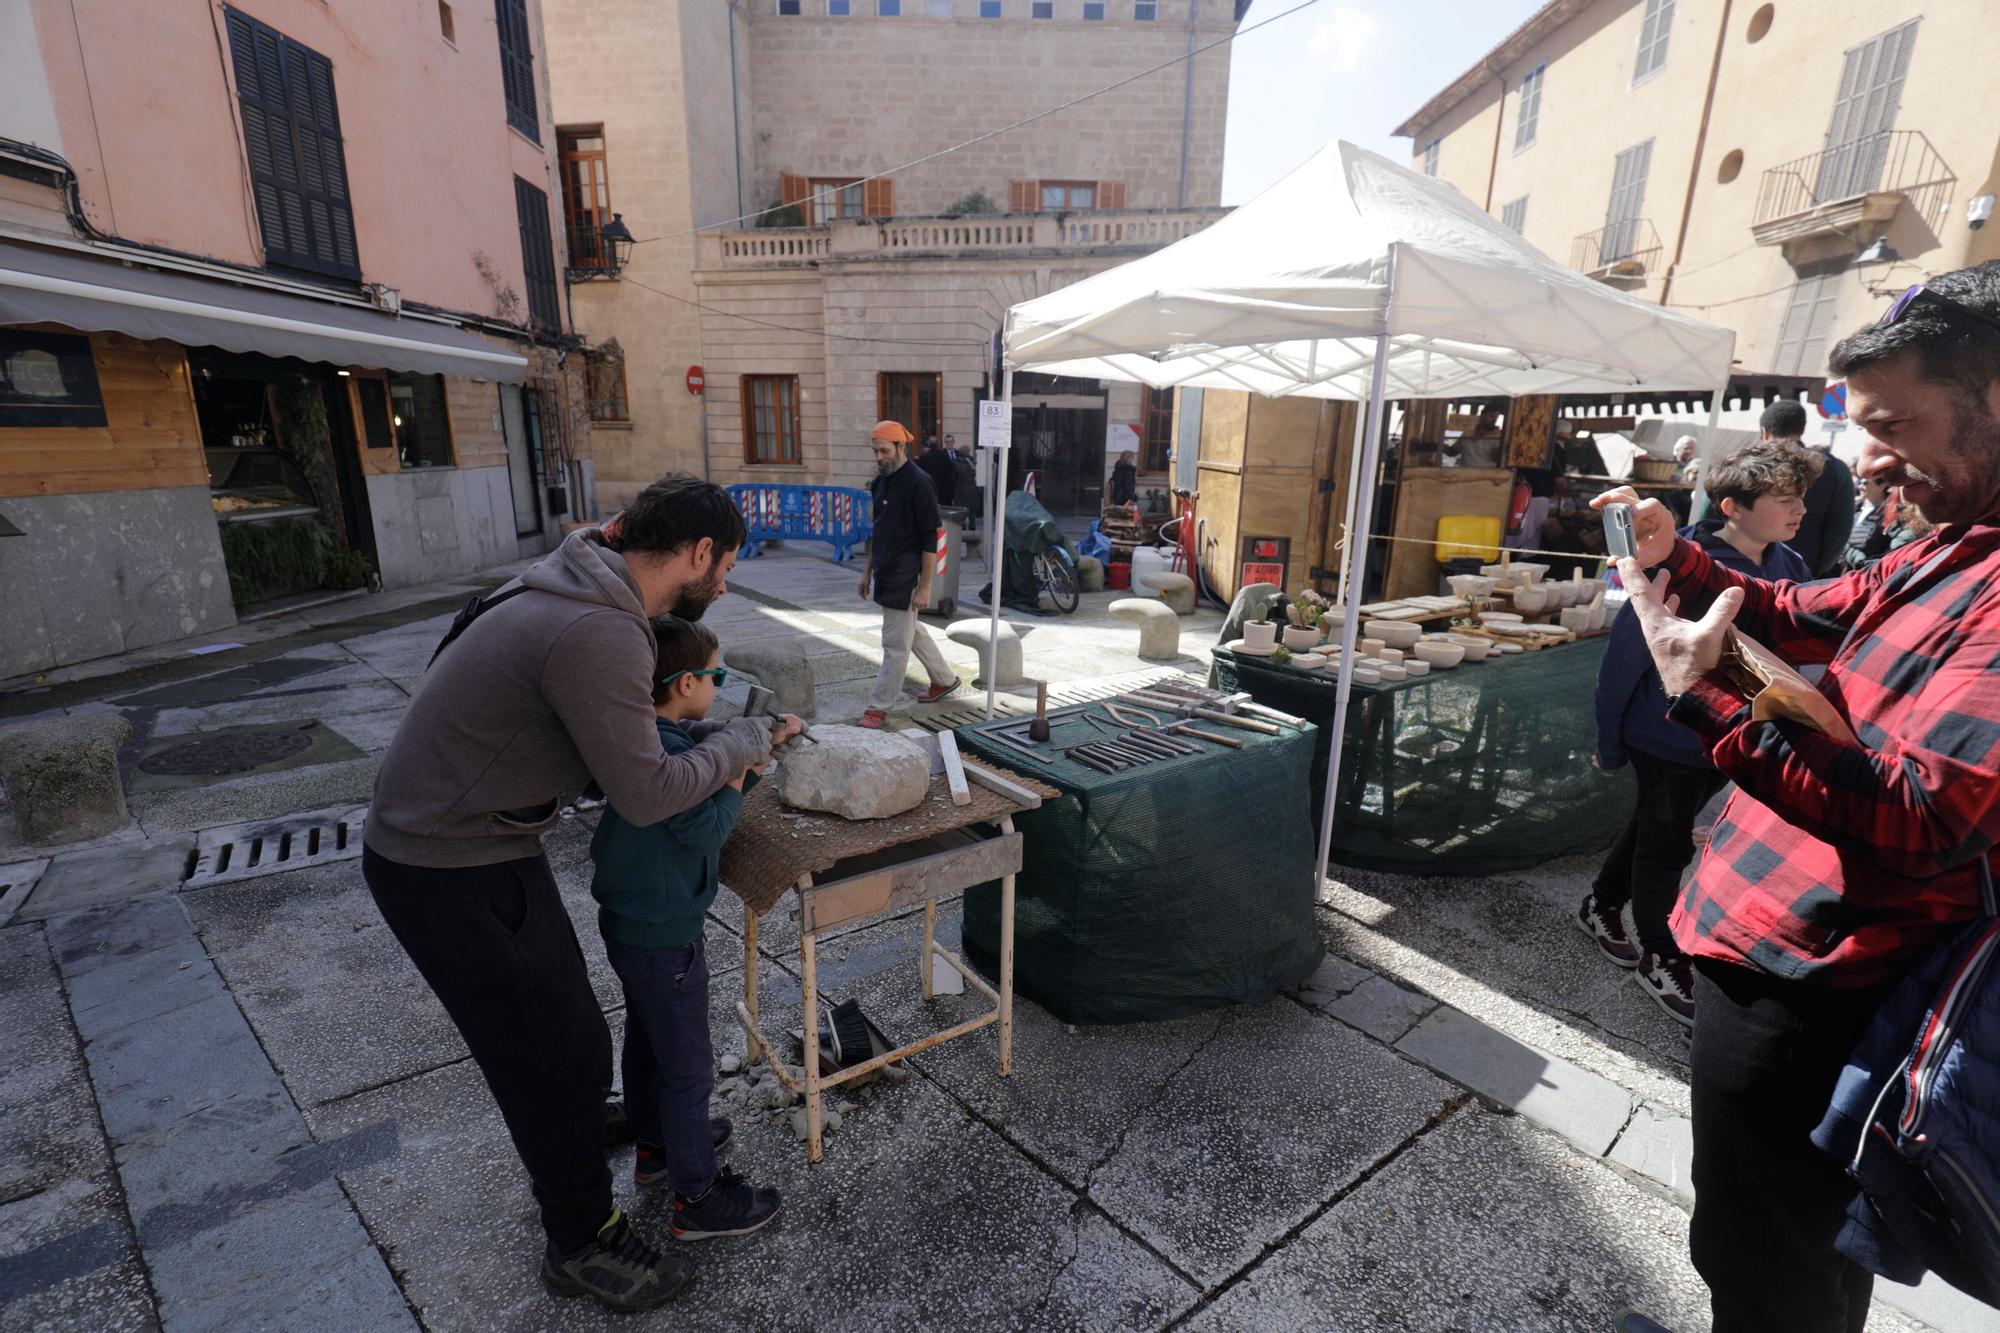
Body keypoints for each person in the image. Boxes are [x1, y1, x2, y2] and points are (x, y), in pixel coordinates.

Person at [1591, 261, 2000, 1333]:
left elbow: (1918, 814)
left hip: (1819, 981)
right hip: (1771, 947)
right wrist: (1667, 555)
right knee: (1788, 1243)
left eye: (1894, 422)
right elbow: (1784, 604)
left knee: (1763, 1252)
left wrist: (1713, 706)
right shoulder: (1952, 541)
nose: (1865, 459)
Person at [362, 475, 799, 1313]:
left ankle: (579, 1132)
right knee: (553, 1054)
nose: (728, 583)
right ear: (698, 553)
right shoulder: (605, 628)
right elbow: (644, 792)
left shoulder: (576, 573)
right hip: (445, 861)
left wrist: (702, 735)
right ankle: (581, 1238)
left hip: (475, 833)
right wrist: (740, 739)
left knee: (564, 1034)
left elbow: (616, 738)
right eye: (729, 564)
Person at [1583, 440, 1817, 1026]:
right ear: (1733, 506)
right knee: (1664, 848)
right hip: (1665, 734)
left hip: (1731, 737)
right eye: (1785, 499)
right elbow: (1624, 660)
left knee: (1656, 826)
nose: (1800, 511)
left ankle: (1600, 903)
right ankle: (1659, 956)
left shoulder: (1792, 569)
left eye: (1802, 499)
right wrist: (1609, 744)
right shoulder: (1679, 561)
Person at [589, 618, 781, 1241]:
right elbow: (703, 829)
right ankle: (697, 1197)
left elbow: (707, 775)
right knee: (689, 1067)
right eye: (716, 678)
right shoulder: (672, 755)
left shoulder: (642, 736)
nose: (719, 691)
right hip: (663, 931)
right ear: (686, 682)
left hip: (629, 921)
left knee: (650, 1040)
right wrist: (738, 770)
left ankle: (657, 1146)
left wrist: (745, 760)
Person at [859, 420, 959, 728]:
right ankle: (944, 680)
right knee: (910, 631)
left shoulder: (920, 482)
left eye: (884, 450)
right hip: (887, 570)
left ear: (902, 447)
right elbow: (878, 531)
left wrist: (926, 586)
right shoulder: (880, 483)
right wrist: (866, 571)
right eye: (875, 450)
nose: (879, 457)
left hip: (908, 573)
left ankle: (878, 708)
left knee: (894, 643)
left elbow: (931, 538)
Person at [1762, 400, 1854, 576]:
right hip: (1798, 576)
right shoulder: (1835, 469)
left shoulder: (1741, 463)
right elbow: (1839, 533)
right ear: (1802, 430)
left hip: (1735, 570)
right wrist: (1813, 572)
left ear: (1764, 433)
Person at [1840, 476, 1928, 570]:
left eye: (1866, 482)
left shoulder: (1892, 517)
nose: (1861, 486)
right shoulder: (1854, 509)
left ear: (1882, 485)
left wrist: (1844, 548)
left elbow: (1887, 558)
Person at [914, 429, 958, 506]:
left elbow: (918, 470)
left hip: (930, 488)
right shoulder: (944, 455)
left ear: (929, 445)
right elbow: (950, 472)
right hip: (943, 489)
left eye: (950, 442)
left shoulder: (925, 457)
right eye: (947, 442)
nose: (948, 444)